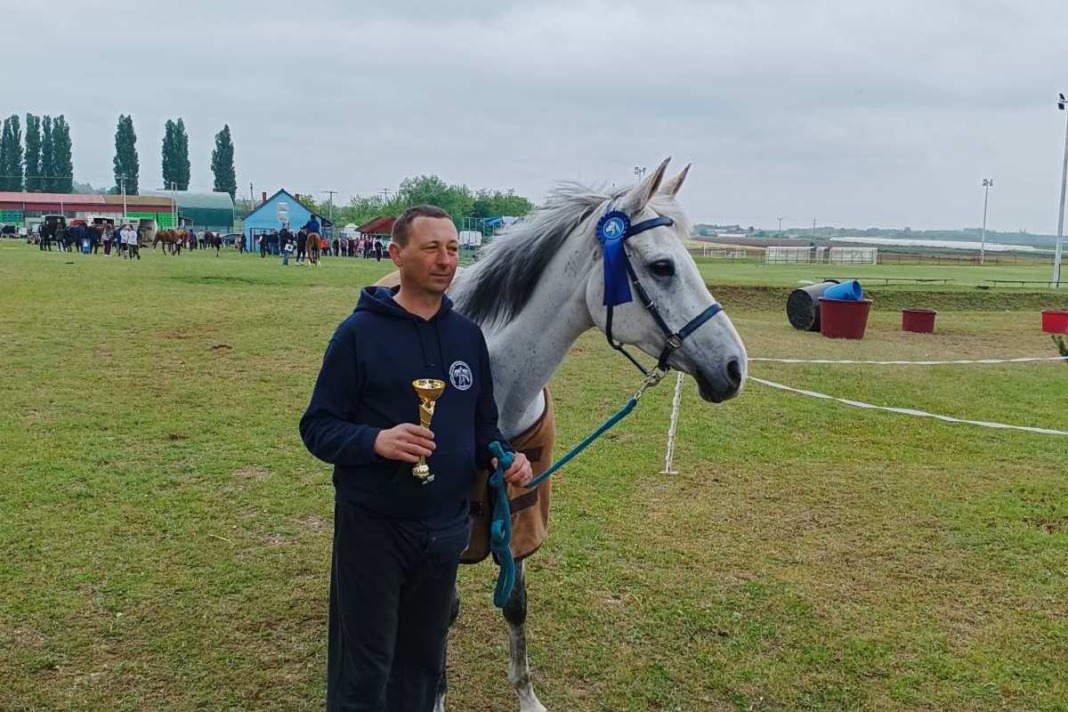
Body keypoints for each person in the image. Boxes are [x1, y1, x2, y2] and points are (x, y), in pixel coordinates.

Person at [300, 204, 532, 711]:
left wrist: (503, 457)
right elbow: (317, 428)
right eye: (431, 248)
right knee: (365, 670)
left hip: (444, 530)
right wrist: (375, 442)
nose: (445, 260)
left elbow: (483, 427)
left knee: (424, 667)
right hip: (374, 532)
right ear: (397, 254)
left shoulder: (468, 338)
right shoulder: (357, 335)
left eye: (452, 249)